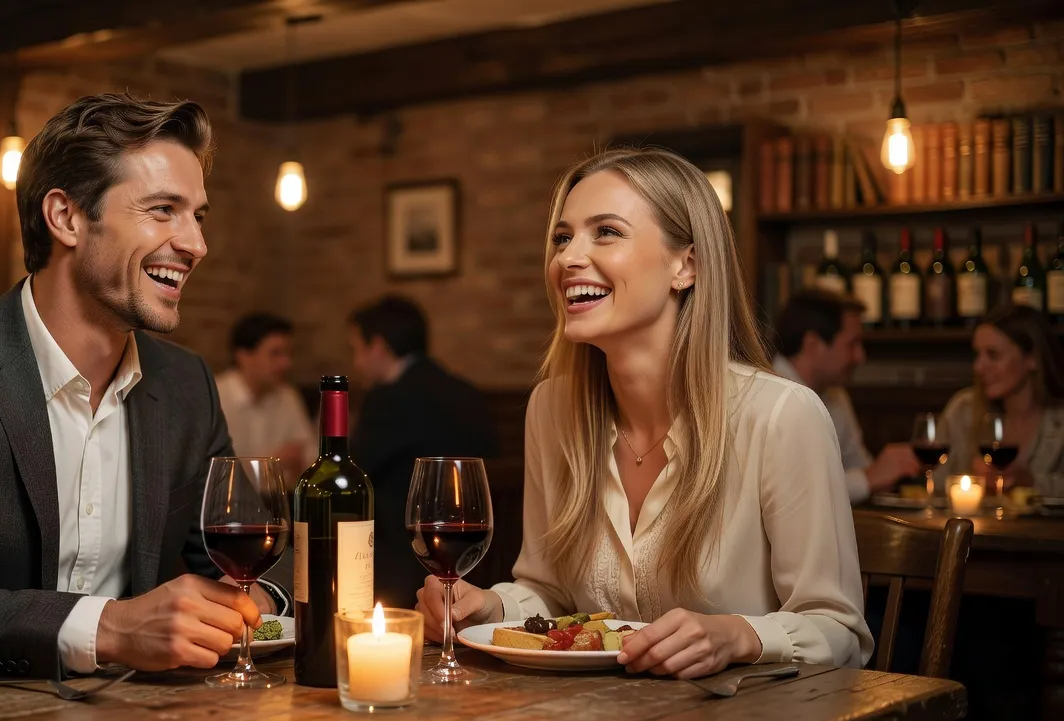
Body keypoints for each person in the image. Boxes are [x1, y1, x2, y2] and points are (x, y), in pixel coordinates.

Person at [0, 93, 280, 681]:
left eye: (198, 216)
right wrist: (108, 629)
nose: (195, 244)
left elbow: (254, 556)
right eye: (163, 210)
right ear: (64, 217)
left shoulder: (186, 383)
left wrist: (257, 603)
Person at [416, 148, 872, 678]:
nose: (567, 258)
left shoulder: (782, 416)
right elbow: (548, 592)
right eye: (563, 238)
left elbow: (840, 632)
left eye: (605, 232)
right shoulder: (551, 409)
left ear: (686, 266)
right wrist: (490, 607)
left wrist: (739, 635)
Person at [348, 295, 499, 609]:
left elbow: (355, 475)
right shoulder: (465, 392)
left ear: (377, 346)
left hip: (401, 568)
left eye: (356, 350)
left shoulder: (387, 399)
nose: (356, 362)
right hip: (478, 561)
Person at [771, 289, 921, 503]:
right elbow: (791, 493)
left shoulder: (835, 396)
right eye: (852, 344)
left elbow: (858, 466)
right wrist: (867, 479)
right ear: (813, 345)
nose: (860, 357)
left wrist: (878, 474)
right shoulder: (770, 395)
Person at [941, 304, 1064, 495]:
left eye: (993, 355)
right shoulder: (963, 410)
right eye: (977, 355)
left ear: (1031, 359)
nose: (979, 367)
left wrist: (1031, 481)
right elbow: (935, 483)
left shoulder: (1059, 420)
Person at [215, 312, 317, 484]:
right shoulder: (216, 397)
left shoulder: (287, 396)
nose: (286, 363)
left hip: (277, 504)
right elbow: (215, 474)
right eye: (275, 354)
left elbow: (310, 459)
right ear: (244, 356)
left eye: (288, 353)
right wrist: (272, 463)